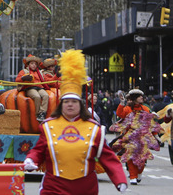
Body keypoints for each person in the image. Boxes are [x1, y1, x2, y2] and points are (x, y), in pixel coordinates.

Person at [23, 49, 128, 194]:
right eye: (66, 102)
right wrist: (31, 160)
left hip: (85, 188)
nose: (70, 105)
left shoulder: (94, 128)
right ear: (61, 104)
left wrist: (120, 179)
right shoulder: (48, 126)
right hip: (54, 187)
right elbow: (39, 151)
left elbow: (107, 157)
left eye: (74, 101)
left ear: (80, 104)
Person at [114, 88, 158, 184]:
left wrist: (155, 134)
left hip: (142, 138)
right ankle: (133, 176)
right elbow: (119, 114)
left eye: (142, 96)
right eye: (139, 96)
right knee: (130, 157)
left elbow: (150, 123)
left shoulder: (145, 109)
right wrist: (121, 103)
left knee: (142, 158)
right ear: (134, 98)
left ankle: (139, 173)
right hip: (129, 138)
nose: (142, 98)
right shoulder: (127, 109)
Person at [16, 54, 49, 120]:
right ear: (28, 65)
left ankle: (42, 113)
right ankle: (38, 114)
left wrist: (57, 77)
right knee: (37, 97)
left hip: (40, 87)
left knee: (46, 95)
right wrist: (23, 78)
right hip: (30, 88)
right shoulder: (24, 71)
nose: (34, 65)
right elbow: (17, 80)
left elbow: (48, 80)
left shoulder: (40, 72)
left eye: (35, 64)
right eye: (32, 63)